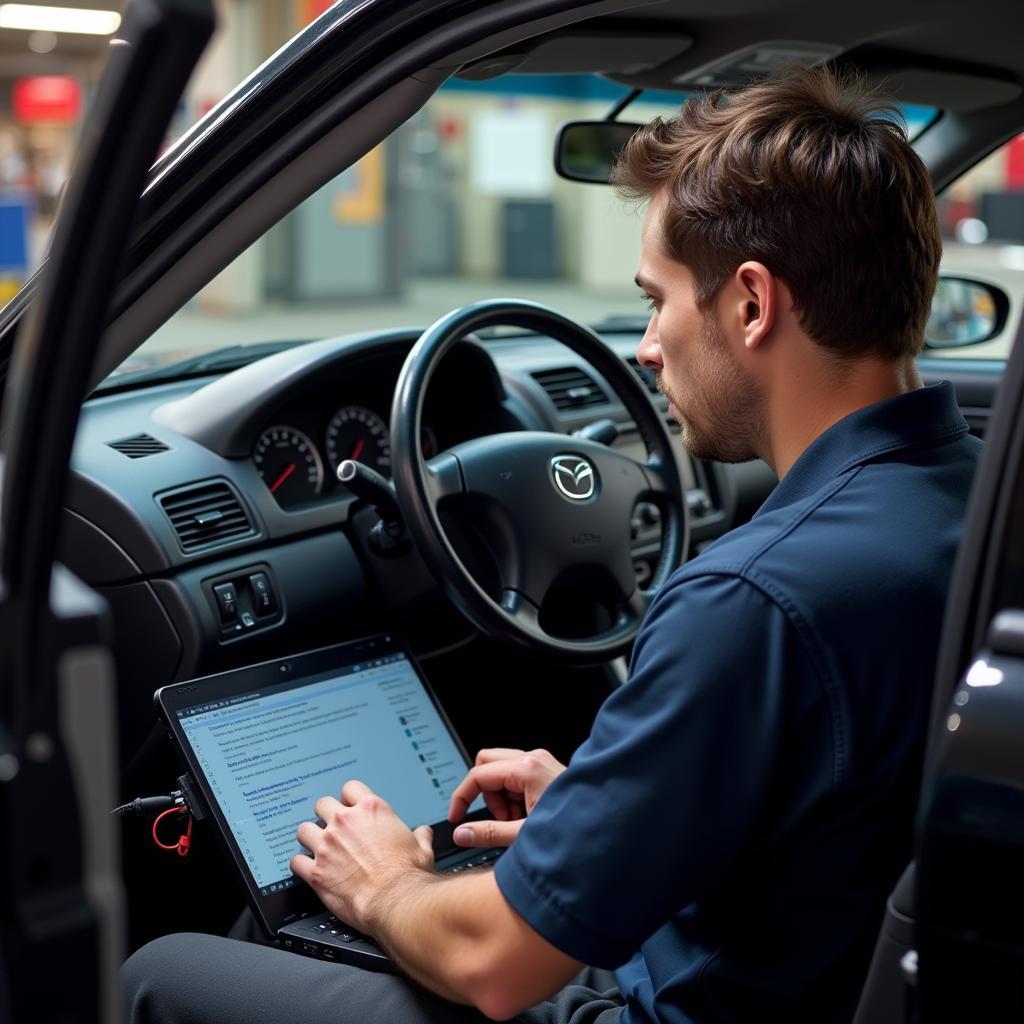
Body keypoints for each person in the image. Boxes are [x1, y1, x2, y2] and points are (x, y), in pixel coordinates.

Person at [123, 66, 982, 1024]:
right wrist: (612, 806)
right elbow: (836, 800)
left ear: (750, 304)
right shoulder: (979, 502)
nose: (648, 345)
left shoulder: (753, 599)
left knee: (162, 970)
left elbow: (494, 965)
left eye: (657, 300)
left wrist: (387, 881)